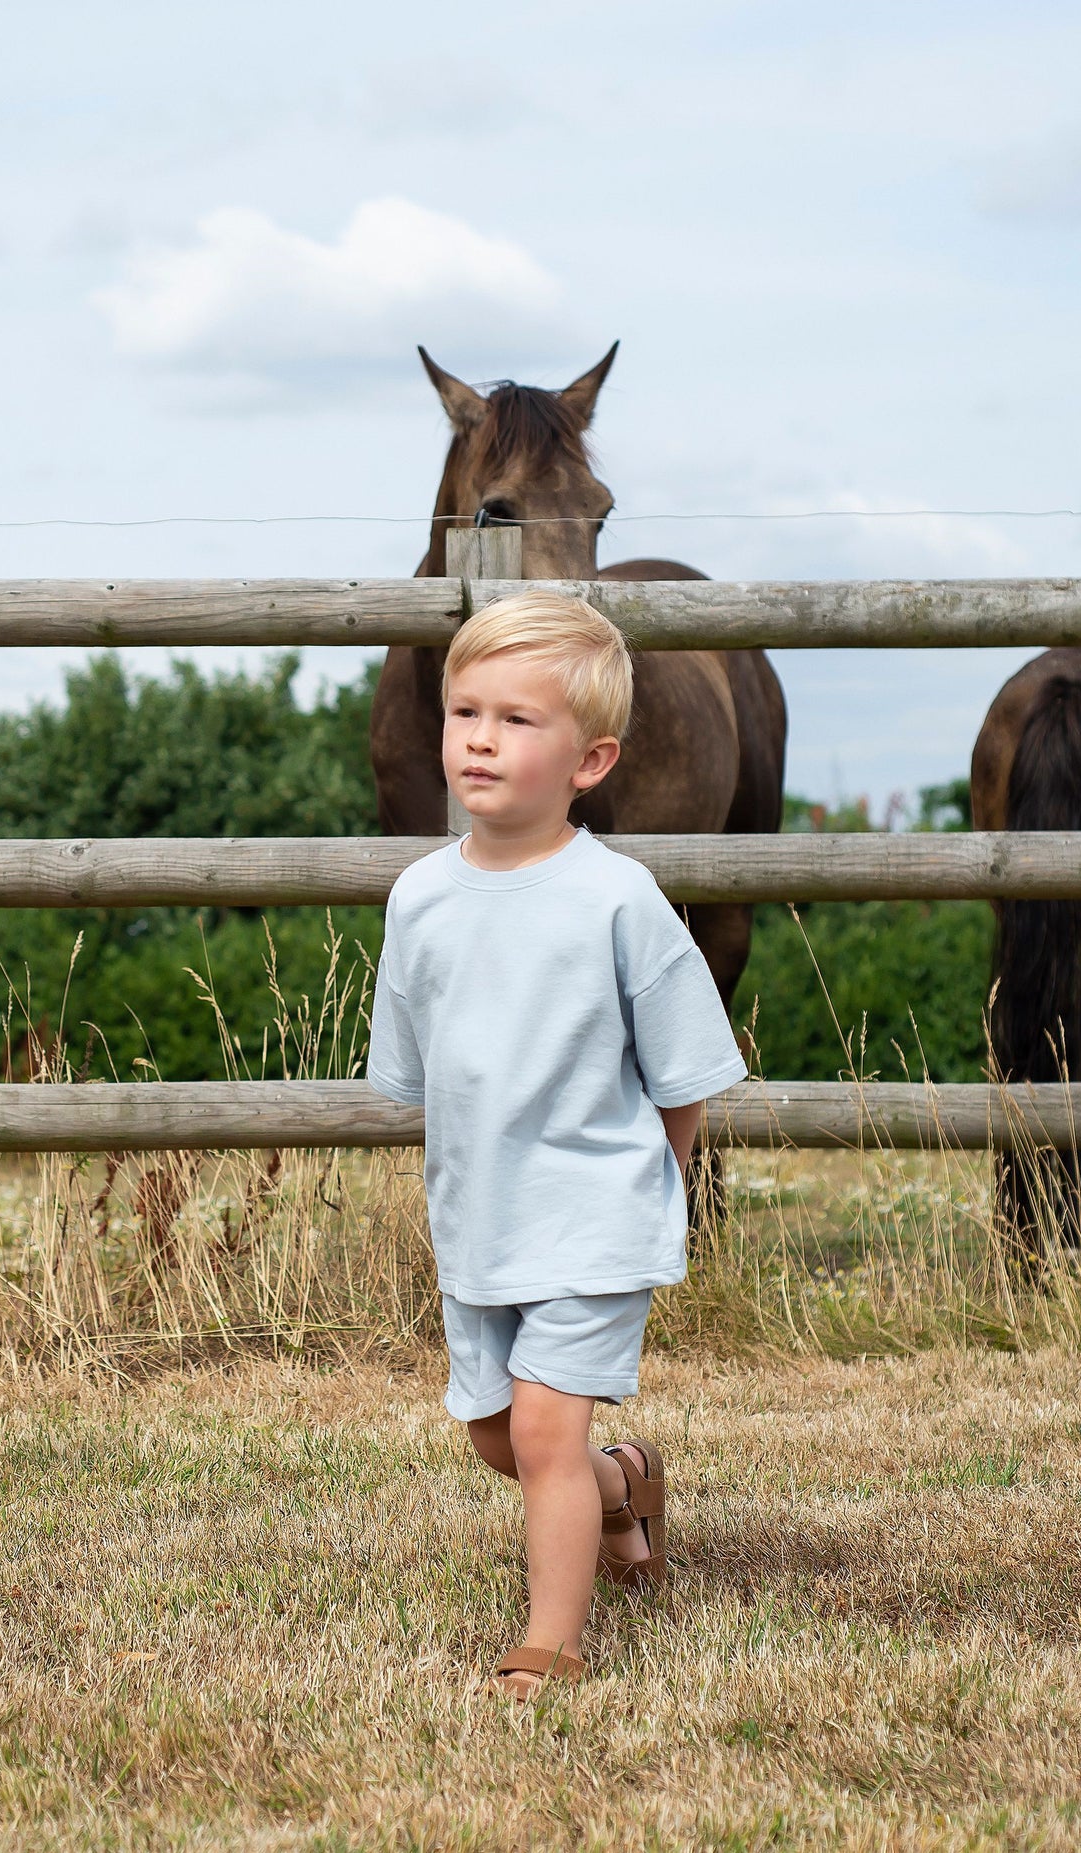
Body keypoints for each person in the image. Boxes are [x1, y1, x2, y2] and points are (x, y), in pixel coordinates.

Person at [367, 589, 748, 1700]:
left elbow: (685, 1075)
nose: (480, 739)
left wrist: (649, 1186)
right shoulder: (419, 899)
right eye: (464, 711)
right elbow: (420, 1073)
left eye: (517, 720)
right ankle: (624, 1483)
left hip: (594, 1209)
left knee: (541, 1430)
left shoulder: (617, 900)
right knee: (498, 1436)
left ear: (589, 760)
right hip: (480, 1215)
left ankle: (552, 1639)